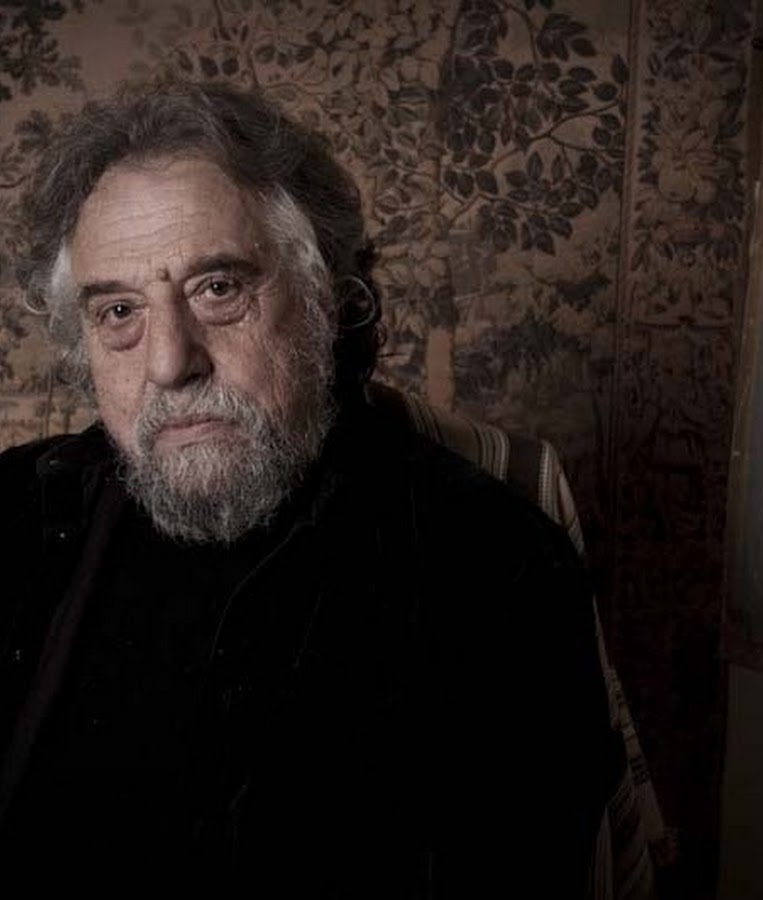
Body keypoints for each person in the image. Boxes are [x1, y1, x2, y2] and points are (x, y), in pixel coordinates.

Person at [0, 80, 621, 890]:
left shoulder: (493, 564)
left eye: (218, 288)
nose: (169, 363)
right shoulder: (14, 512)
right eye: (119, 311)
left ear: (325, 297)